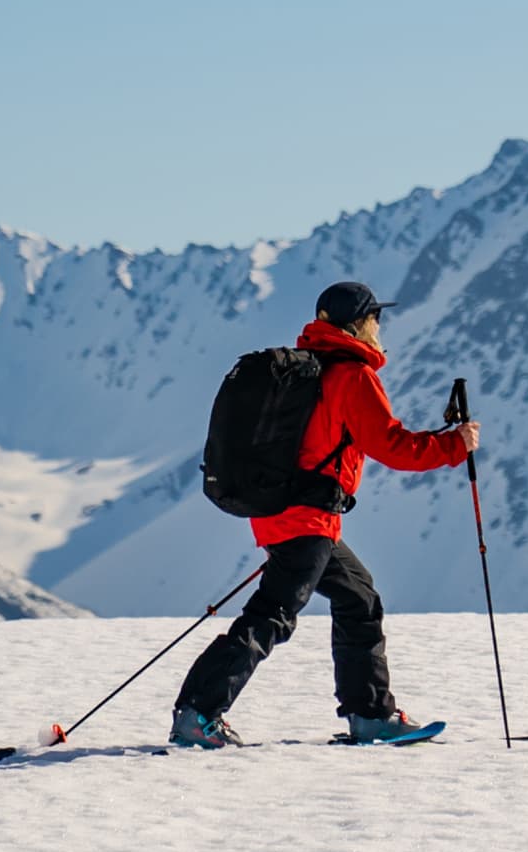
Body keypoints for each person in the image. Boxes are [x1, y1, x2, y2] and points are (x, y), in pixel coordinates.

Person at [171, 280, 475, 748]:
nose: (379, 327)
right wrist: (453, 445)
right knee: (273, 613)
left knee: (358, 597)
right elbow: (391, 445)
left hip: (282, 511)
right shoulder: (351, 375)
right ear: (360, 323)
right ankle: (199, 713)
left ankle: (370, 713)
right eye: (375, 317)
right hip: (306, 517)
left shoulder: (311, 370)